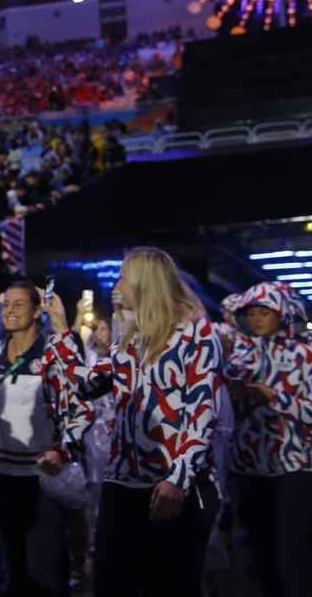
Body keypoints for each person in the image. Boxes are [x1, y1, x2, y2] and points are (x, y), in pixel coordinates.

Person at [76, 247, 221, 597]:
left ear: (143, 282)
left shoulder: (196, 334)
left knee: (169, 586)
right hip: (122, 484)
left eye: (124, 276)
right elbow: (85, 386)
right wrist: (71, 334)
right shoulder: (130, 337)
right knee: (113, 584)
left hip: (172, 487)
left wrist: (178, 479)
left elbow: (202, 413)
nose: (117, 284)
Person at [0, 282, 92, 597]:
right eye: (6, 304)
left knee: (45, 570)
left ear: (37, 311)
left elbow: (81, 407)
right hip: (4, 475)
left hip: (41, 478)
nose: (9, 311)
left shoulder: (51, 353)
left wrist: (61, 452)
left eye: (19, 305)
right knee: (12, 571)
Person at [221, 282, 312, 597]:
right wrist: (237, 396)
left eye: (264, 312)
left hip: (295, 467)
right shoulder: (241, 357)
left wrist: (273, 398)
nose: (256, 320)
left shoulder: (310, 356)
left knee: (291, 554)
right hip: (248, 468)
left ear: (283, 314)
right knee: (258, 555)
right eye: (251, 313)